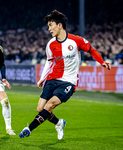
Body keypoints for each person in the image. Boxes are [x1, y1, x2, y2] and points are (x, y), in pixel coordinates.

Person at [19, 10, 111, 140]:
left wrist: (102, 62)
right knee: (41, 108)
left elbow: (92, 50)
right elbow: (49, 62)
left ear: (59, 25)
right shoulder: (50, 44)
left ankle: (29, 128)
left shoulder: (76, 40)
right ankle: (59, 123)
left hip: (68, 81)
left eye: (51, 25)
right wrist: (42, 78)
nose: (49, 29)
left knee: (49, 105)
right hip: (52, 79)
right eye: (48, 26)